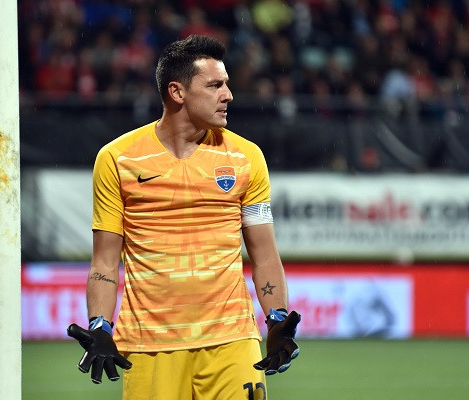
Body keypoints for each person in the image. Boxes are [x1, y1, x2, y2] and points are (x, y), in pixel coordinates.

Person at [67, 35, 301, 400]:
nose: (228, 95)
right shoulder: (117, 159)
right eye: (215, 85)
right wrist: (100, 325)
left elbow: (265, 255)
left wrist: (277, 320)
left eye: (226, 84)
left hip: (232, 340)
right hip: (149, 345)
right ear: (177, 92)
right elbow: (105, 261)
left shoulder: (246, 158)